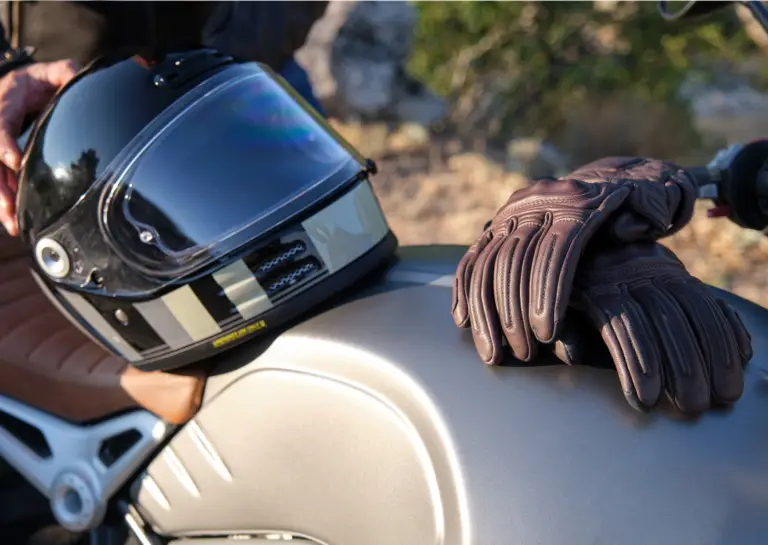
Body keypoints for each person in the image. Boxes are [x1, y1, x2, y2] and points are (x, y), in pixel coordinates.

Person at [0, 0, 328, 235]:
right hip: (53, 106)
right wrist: (7, 69)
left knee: (326, 239)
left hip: (233, 76)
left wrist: (213, 65)